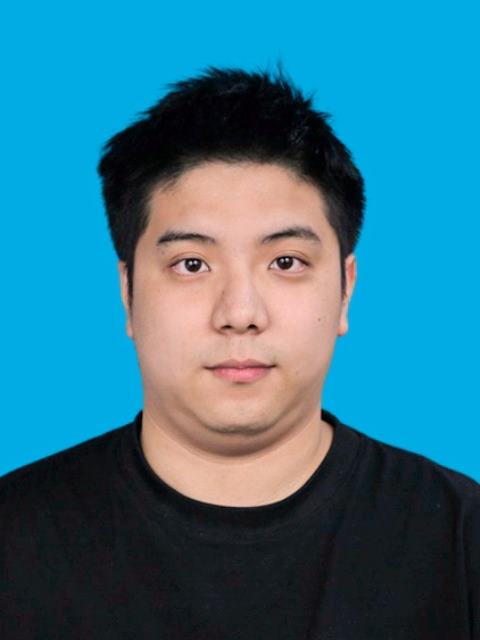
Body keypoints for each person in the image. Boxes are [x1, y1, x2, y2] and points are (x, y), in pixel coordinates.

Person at [1, 66, 479, 640]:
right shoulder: (13, 538)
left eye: (286, 262)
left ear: (346, 289)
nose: (240, 312)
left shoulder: (461, 539)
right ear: (127, 293)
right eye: (192, 265)